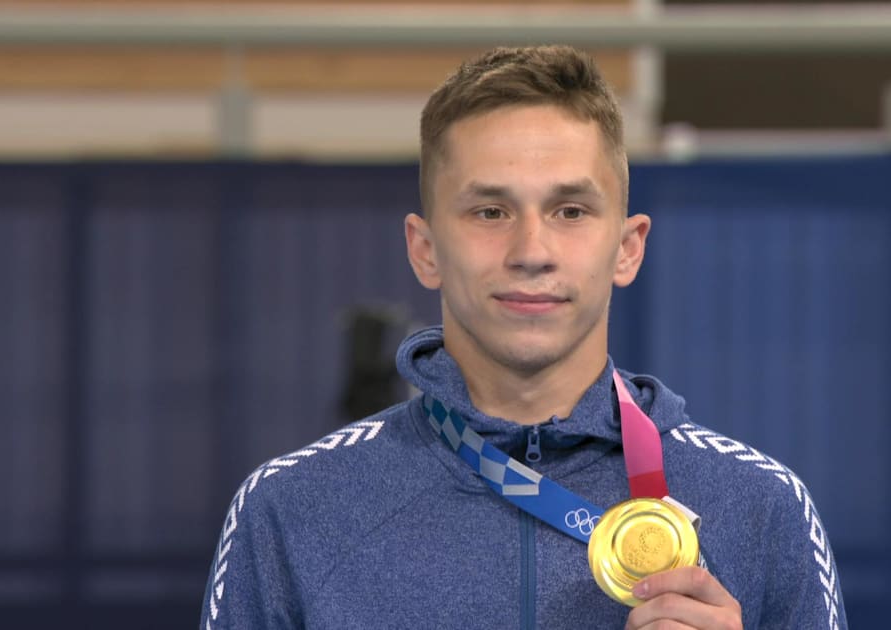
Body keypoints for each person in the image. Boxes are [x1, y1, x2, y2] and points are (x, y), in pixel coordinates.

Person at [200, 45, 847, 630]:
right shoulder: (294, 510)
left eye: (570, 211)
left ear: (627, 248)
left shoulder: (762, 508)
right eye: (490, 211)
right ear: (424, 250)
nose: (531, 251)